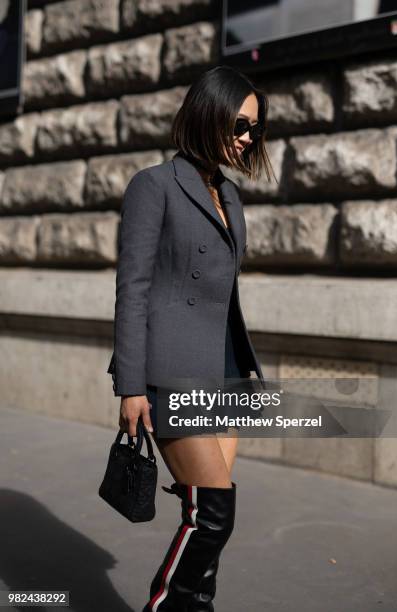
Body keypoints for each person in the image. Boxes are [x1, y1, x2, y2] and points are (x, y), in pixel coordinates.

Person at [107, 64, 274, 611]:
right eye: (240, 123)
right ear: (209, 114)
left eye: (255, 127)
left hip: (223, 372)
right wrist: (132, 386)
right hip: (171, 370)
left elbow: (225, 299)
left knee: (209, 518)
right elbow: (131, 289)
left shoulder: (230, 195)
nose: (248, 137)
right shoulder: (153, 185)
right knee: (212, 515)